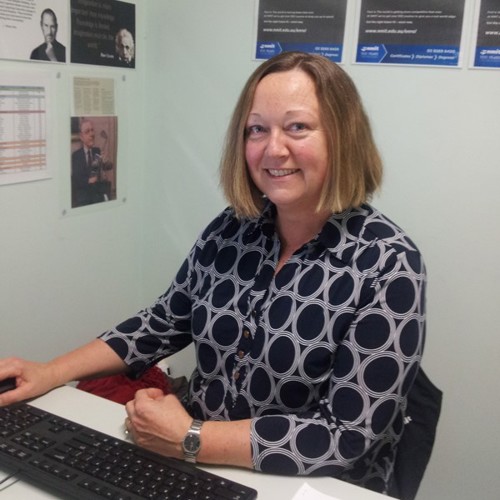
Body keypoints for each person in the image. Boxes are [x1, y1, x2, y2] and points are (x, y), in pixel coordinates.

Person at [0, 52, 426, 495]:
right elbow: (164, 321)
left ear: (344, 136)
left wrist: (190, 438)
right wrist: (50, 372)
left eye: (297, 127)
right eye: (257, 129)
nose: (273, 148)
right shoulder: (232, 228)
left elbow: (345, 434)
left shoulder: (388, 264)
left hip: (306, 484)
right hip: (197, 466)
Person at [71, 118, 112, 208]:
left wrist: (106, 162)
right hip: (83, 198)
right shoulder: (76, 156)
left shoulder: (97, 151)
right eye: (87, 131)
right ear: (81, 137)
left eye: (92, 130)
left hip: (97, 195)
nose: (92, 134)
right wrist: (89, 180)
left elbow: (108, 167)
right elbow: (76, 179)